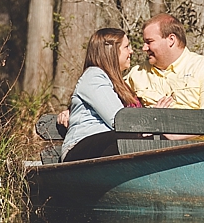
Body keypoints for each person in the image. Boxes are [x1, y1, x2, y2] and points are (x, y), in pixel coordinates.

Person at [58, 28, 143, 163]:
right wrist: (148, 124)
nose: (131, 51)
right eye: (126, 47)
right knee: (128, 137)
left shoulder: (116, 82)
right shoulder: (94, 76)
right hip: (80, 148)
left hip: (104, 145)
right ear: (112, 52)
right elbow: (118, 119)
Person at [126, 14, 204, 109]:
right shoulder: (137, 73)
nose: (144, 48)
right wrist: (151, 118)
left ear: (171, 39)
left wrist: (162, 119)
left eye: (149, 42)